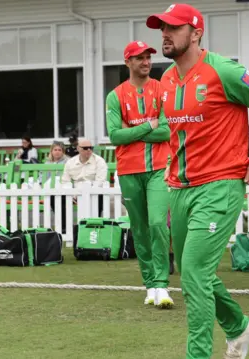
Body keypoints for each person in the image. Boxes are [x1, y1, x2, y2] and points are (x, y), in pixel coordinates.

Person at [146, 4, 249, 358]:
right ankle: (239, 328)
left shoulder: (223, 70)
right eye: (161, 28)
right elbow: (180, 131)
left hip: (220, 185)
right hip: (178, 188)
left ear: (195, 33)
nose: (165, 34)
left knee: (192, 272)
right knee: (197, 274)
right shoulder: (165, 80)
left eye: (173, 28)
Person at [105, 40, 174, 308]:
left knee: (158, 223)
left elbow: (167, 131)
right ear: (128, 62)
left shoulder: (162, 89)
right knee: (141, 230)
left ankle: (162, 284)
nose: (146, 62)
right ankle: (150, 285)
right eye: (139, 58)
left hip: (157, 168)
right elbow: (114, 136)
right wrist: (148, 125)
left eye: (148, 57)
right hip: (128, 171)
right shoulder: (116, 95)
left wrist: (132, 131)